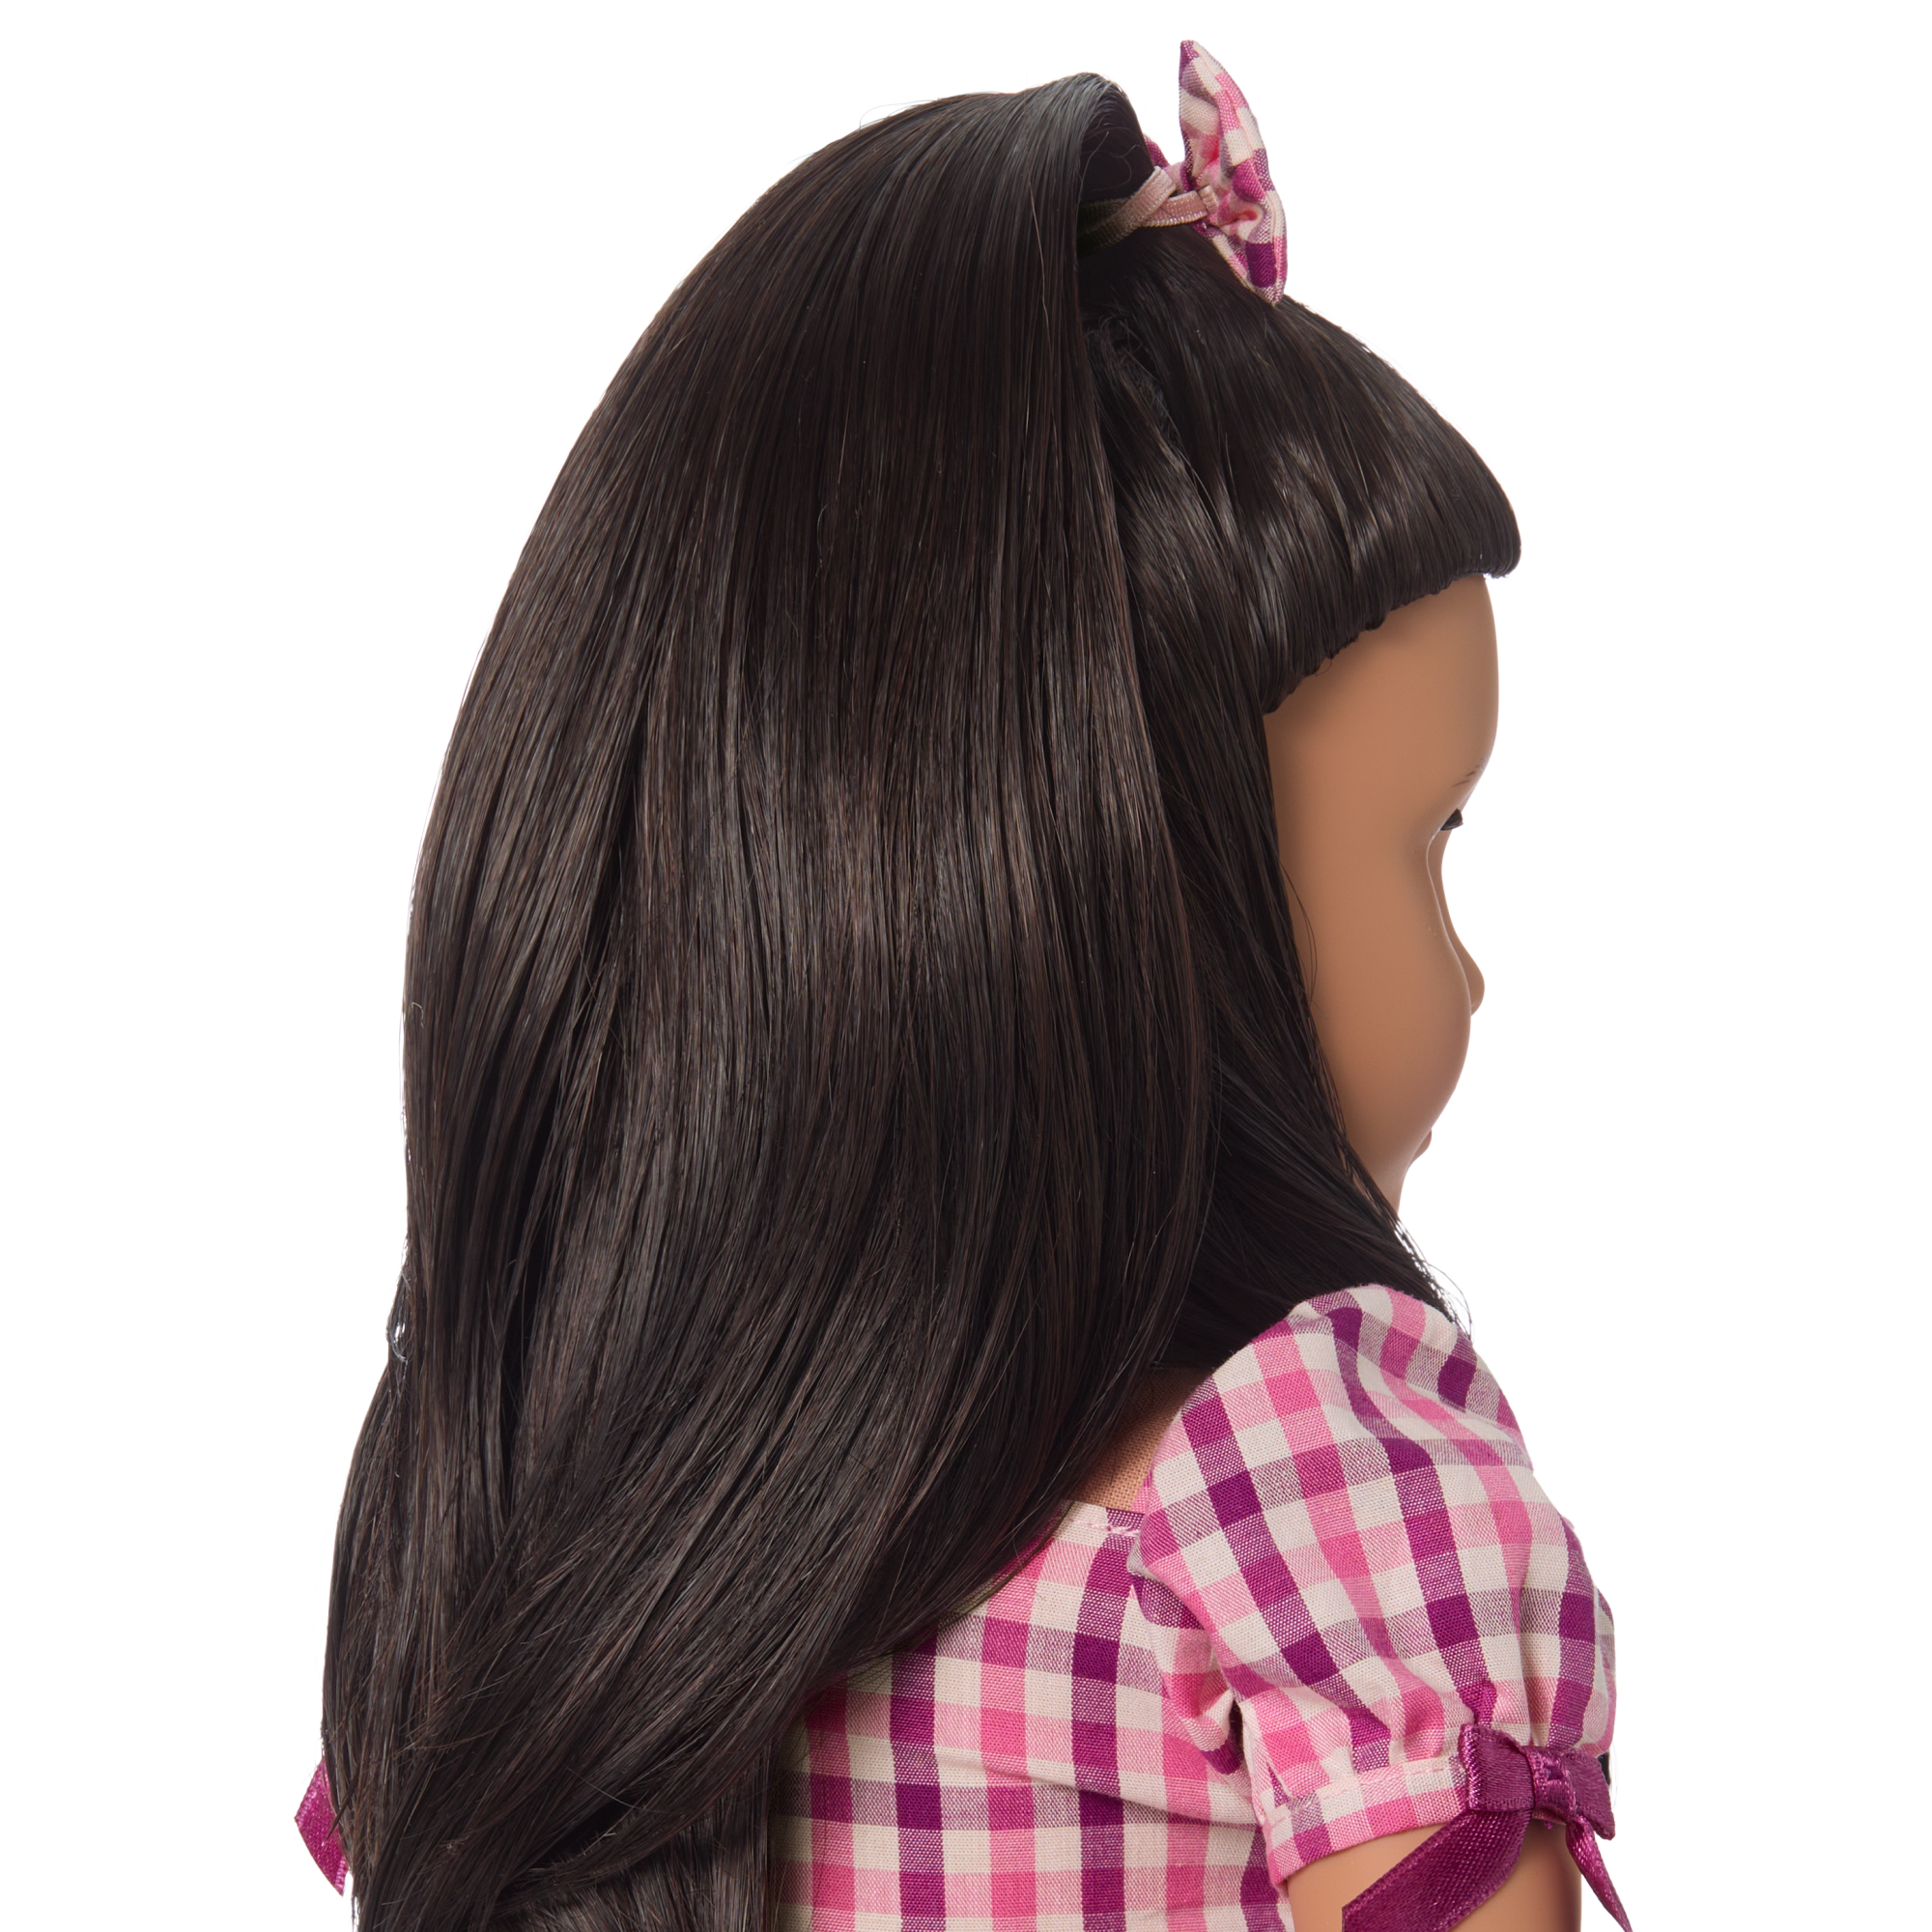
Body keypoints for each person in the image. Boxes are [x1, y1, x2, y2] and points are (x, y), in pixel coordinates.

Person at [296, 42, 1634, 1931]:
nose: (1472, 970)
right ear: (1097, 903)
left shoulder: (538, 1520)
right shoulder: (1292, 1474)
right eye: (1421, 844)